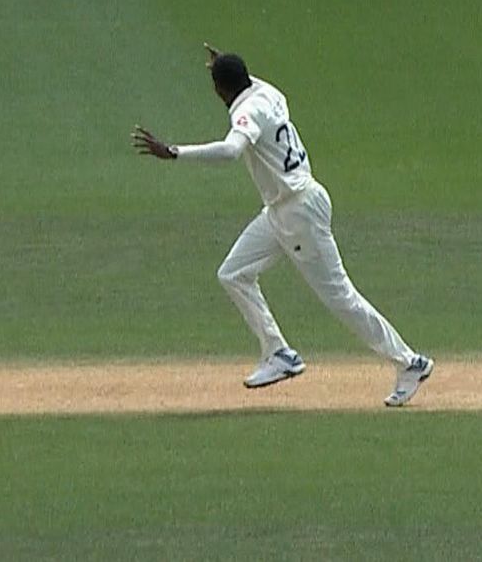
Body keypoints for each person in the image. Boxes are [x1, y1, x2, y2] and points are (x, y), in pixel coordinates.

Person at [131, 44, 433, 407]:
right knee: (233, 273)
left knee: (341, 297)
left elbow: (231, 151)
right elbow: (241, 80)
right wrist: (223, 65)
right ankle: (278, 353)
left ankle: (409, 362)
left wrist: (174, 152)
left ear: (219, 89)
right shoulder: (268, 92)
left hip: (298, 213)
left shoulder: (246, 112)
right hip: (283, 209)